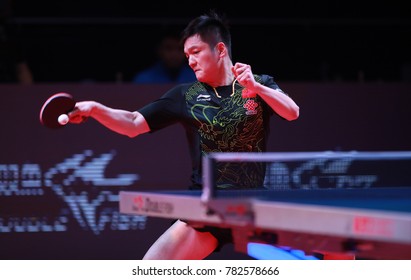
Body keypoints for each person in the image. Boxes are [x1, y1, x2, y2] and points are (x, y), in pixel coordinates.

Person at [68, 11, 299, 260]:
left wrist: (256, 87)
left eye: (196, 52)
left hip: (253, 209)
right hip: (205, 210)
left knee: (334, 254)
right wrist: (95, 109)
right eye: (187, 55)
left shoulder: (259, 83)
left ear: (220, 49)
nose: (190, 61)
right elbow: (133, 123)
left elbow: (292, 112)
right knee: (151, 267)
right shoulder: (185, 95)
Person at [131, 28, 196, 84]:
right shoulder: (143, 79)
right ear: (159, 50)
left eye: (179, 49)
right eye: (169, 48)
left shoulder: (196, 79)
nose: (174, 54)